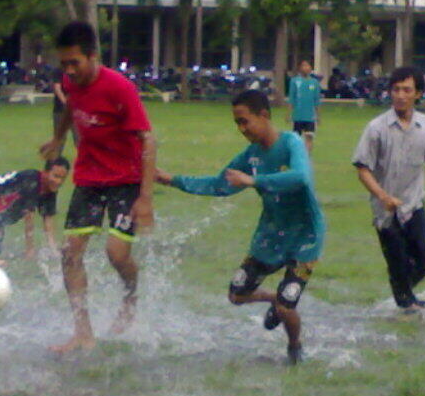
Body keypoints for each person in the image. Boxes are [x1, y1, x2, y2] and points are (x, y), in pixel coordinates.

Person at [157, 90, 325, 365]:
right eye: (237, 123)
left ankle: (294, 347)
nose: (242, 129)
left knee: (287, 305)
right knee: (237, 294)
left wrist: (254, 182)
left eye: (245, 121)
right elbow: (218, 184)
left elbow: (301, 178)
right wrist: (172, 180)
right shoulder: (251, 156)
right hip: (271, 236)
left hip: (304, 237)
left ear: (264, 116)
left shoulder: (291, 142)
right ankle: (274, 299)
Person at [39, 21, 156, 353]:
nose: (69, 71)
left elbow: (148, 138)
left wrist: (145, 198)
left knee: (116, 254)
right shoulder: (70, 81)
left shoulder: (119, 88)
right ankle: (82, 332)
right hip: (89, 179)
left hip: (125, 181)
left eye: (75, 62)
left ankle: (130, 297)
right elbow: (70, 106)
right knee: (70, 254)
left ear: (93, 56)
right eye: (63, 64)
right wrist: (59, 138)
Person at [352, 66, 425, 314]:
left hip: (414, 205)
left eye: (407, 90)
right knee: (399, 264)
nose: (400, 95)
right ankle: (404, 303)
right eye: (396, 89)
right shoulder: (376, 128)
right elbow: (362, 169)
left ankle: (401, 294)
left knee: (424, 263)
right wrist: (383, 196)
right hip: (385, 212)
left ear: (418, 94)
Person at [287, 60, 322, 153]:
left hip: (310, 116)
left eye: (308, 66)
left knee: (309, 137)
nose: (306, 68)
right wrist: (289, 114)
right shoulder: (294, 81)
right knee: (296, 139)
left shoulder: (314, 82)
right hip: (298, 116)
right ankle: (297, 156)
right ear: (300, 68)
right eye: (304, 65)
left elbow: (317, 100)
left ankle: (306, 157)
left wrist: (318, 116)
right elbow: (292, 98)